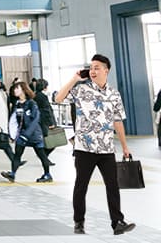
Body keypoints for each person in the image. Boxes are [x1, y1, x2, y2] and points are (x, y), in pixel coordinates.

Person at [54, 54, 135, 236]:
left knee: (112, 186)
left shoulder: (114, 94)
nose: (92, 71)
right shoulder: (82, 90)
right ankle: (79, 222)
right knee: (81, 186)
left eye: (97, 67)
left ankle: (117, 223)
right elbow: (59, 99)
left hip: (107, 148)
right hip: (84, 148)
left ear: (106, 70)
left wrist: (125, 147)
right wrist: (74, 78)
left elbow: (118, 121)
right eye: (91, 67)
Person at [0, 81, 52, 183]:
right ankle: (12, 174)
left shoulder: (32, 103)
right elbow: (14, 120)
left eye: (17, 88)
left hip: (34, 135)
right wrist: (13, 134)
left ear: (23, 90)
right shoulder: (17, 104)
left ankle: (47, 175)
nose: (15, 90)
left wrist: (26, 134)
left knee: (41, 155)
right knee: (17, 155)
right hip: (22, 134)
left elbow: (35, 120)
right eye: (14, 88)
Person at [34, 79, 57, 162]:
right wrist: (51, 123)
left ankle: (44, 158)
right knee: (52, 141)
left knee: (45, 141)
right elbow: (47, 110)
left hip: (39, 121)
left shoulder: (35, 95)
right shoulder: (43, 96)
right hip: (45, 121)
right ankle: (44, 157)